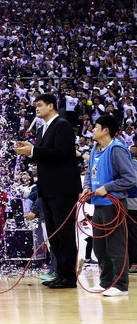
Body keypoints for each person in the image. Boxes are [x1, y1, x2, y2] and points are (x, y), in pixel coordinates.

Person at [14, 94, 81, 289]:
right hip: (48, 189)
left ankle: (69, 277)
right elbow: (44, 156)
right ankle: (60, 273)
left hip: (62, 188)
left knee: (65, 234)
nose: (37, 108)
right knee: (54, 234)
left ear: (51, 106)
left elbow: (60, 153)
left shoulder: (62, 125)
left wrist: (33, 150)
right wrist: (30, 151)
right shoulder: (42, 128)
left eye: (40, 105)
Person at [84, 115, 136, 297]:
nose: (92, 129)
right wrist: (87, 187)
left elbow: (130, 178)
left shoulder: (117, 149)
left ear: (105, 130)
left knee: (116, 246)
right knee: (99, 247)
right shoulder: (94, 149)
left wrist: (107, 187)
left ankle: (121, 285)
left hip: (114, 204)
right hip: (98, 204)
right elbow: (89, 173)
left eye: (96, 127)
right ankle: (106, 281)